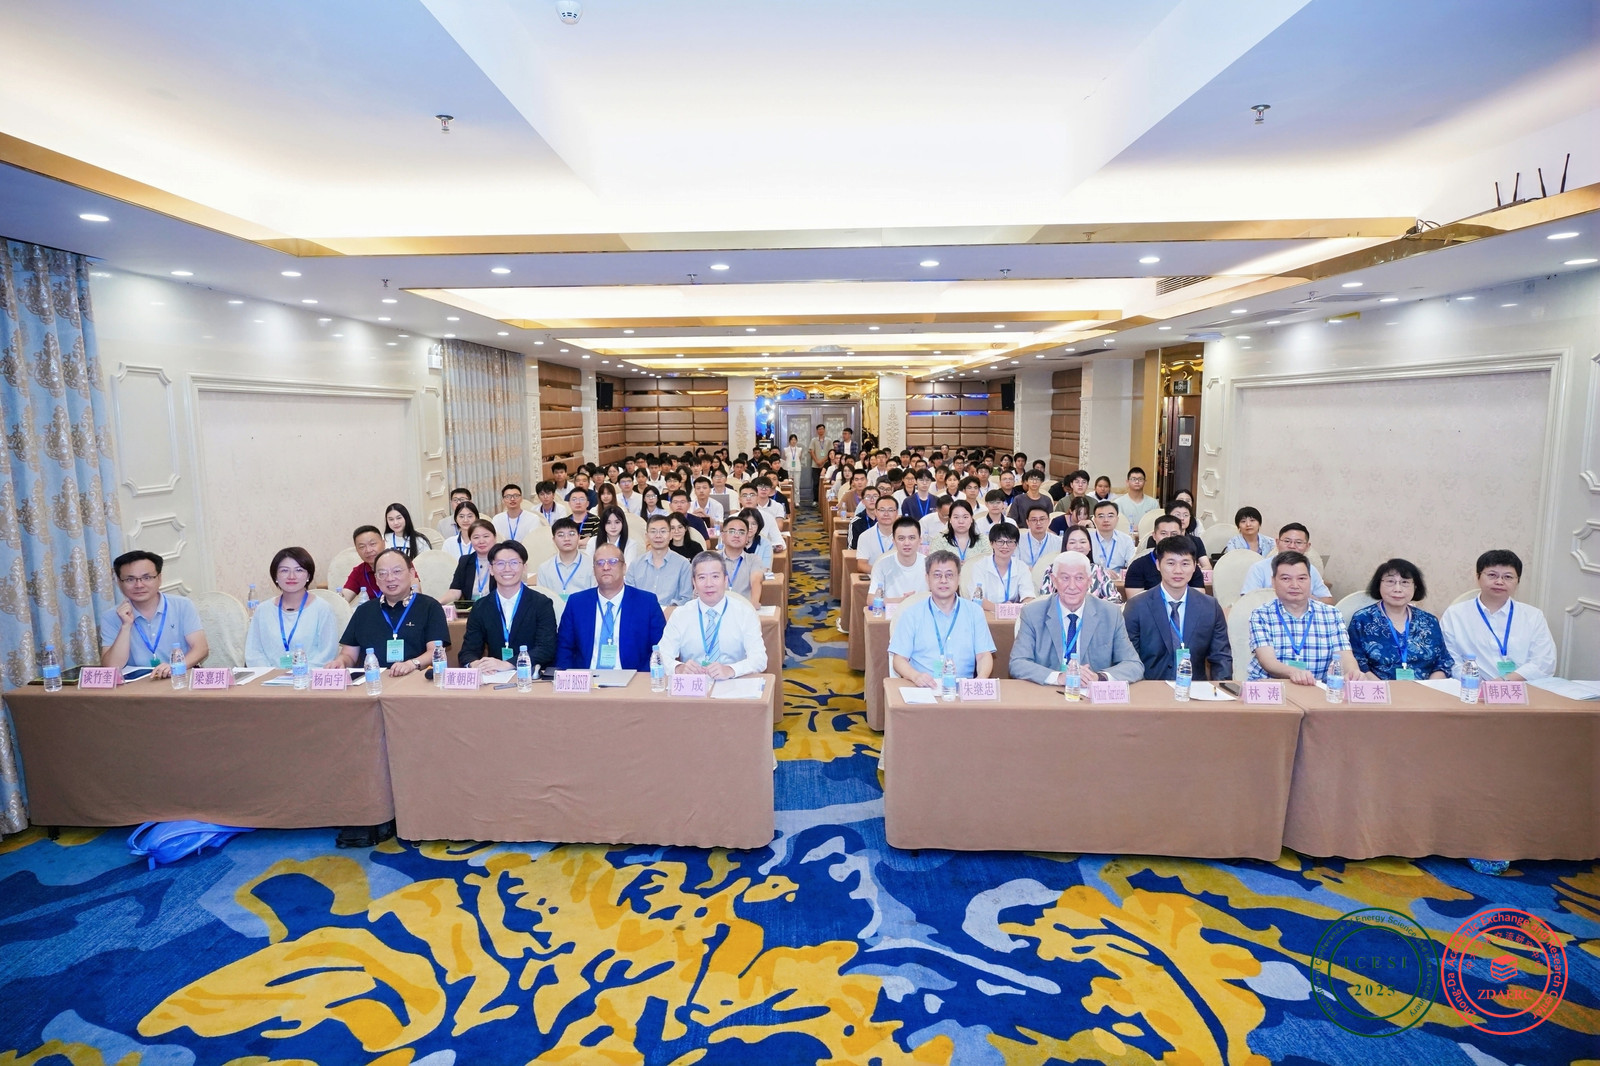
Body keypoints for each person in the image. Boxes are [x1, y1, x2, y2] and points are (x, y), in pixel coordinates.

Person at [1010, 551, 1142, 685]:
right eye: (1065, 578)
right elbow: (1018, 663)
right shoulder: (1032, 613)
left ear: (1089, 581)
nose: (1072, 586)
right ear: (1054, 580)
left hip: (1092, 693)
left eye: (1079, 578)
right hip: (1049, 692)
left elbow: (1133, 665)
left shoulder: (1110, 614)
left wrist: (1099, 677)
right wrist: (1059, 677)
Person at [1122, 536, 1231, 681]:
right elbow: (1128, 659)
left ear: (1195, 566)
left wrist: (1221, 690)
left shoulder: (1210, 607)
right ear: (1158, 565)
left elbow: (1221, 658)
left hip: (1194, 688)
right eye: (1171, 563)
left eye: (1185, 563)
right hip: (1149, 687)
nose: (1178, 570)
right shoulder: (1137, 606)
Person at [1440, 549, 1558, 681]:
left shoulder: (1533, 616)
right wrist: (1477, 684)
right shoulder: (1455, 615)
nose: (1499, 582)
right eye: (1492, 575)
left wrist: (1503, 681)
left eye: (1508, 577)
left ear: (1518, 581)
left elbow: (1544, 662)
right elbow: (1450, 660)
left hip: (1522, 687)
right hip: (1471, 687)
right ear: (1478, 577)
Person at [326, 548, 450, 673]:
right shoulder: (363, 611)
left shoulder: (430, 607)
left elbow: (435, 651)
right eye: (382, 573)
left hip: (415, 677)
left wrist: (412, 664)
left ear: (411, 573)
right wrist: (340, 662)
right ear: (376, 578)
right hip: (373, 680)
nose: (390, 578)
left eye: (397, 571)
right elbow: (348, 655)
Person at [1247, 552, 1363, 684]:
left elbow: (1344, 655)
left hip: (1317, 688)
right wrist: (1293, 672)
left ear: (1310, 580)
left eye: (1301, 578)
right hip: (1271, 686)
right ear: (1273, 582)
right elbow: (1268, 662)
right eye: (1286, 579)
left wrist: (1353, 672)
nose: (1294, 585)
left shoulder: (1331, 614)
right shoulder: (1261, 615)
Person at [888, 550, 995, 689]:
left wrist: (981, 679)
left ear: (958, 578)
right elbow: (899, 659)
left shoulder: (975, 612)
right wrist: (915, 676)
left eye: (949, 575)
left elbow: (984, 655)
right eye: (937, 575)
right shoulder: (911, 613)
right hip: (922, 687)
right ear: (927, 578)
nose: (943, 580)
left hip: (962, 688)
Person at [554, 544, 667, 671]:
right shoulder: (576, 603)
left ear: (624, 568)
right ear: (593, 570)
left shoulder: (646, 603)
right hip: (587, 678)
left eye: (613, 562)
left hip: (632, 677)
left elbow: (660, 648)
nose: (606, 567)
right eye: (600, 563)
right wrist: (570, 678)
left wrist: (640, 678)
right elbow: (564, 648)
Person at [100, 550, 209, 677]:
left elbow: (201, 648)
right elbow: (111, 667)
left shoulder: (182, 605)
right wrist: (125, 626)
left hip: (180, 677)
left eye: (147, 578)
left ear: (159, 578)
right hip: (138, 684)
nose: (139, 585)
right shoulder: (110, 616)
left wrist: (175, 667)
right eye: (130, 579)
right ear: (119, 583)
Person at [658, 552, 767, 678]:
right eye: (702, 577)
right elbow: (660, 656)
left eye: (715, 576)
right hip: (694, 684)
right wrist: (678, 668)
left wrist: (731, 670)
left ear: (725, 580)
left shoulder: (744, 613)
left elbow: (760, 659)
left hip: (733, 682)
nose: (709, 584)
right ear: (694, 582)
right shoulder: (680, 615)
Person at [1348, 558, 1454, 680]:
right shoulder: (1362, 620)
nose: (1397, 589)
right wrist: (1384, 689)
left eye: (1405, 582)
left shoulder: (1429, 621)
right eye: (1390, 581)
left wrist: (1429, 687)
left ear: (1415, 586)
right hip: (1378, 688)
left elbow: (1443, 663)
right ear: (1378, 585)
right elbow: (1358, 664)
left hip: (1426, 688)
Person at [459, 540, 558, 670]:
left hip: (530, 675)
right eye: (500, 563)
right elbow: (468, 651)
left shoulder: (541, 603)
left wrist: (508, 664)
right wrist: (474, 664)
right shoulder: (480, 606)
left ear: (524, 567)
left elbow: (546, 648)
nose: (507, 569)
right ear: (491, 569)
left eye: (514, 563)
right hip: (494, 676)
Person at [244, 547, 341, 668]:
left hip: (308, 676)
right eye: (284, 570)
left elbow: (327, 654)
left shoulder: (323, 609)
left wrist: (299, 673)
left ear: (308, 575)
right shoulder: (263, 610)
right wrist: (271, 675)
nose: (291, 576)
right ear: (275, 576)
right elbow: (254, 653)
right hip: (269, 678)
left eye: (299, 570)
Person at [1240, 524, 1333, 603]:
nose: (1292, 546)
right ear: (1277, 543)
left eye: (1298, 542)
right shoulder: (1259, 568)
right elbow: (1247, 601)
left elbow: (1328, 600)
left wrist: (1310, 599)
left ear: (1307, 546)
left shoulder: (1311, 570)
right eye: (1287, 541)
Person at [1123, 515, 1206, 595]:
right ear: (1154, 536)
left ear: (1181, 535)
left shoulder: (1188, 565)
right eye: (1163, 533)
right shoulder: (1138, 566)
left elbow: (1199, 599)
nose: (1168, 537)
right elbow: (1136, 601)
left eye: (1174, 534)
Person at [626, 514, 695, 607]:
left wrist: (667, 611)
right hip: (641, 613)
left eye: (663, 531)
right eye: (653, 531)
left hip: (671, 614)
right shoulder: (635, 565)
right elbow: (628, 596)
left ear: (670, 535)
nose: (658, 536)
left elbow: (686, 598)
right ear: (646, 536)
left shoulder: (683, 564)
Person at [969, 522, 1035, 604]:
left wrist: (1017, 607)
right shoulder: (980, 567)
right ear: (991, 543)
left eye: (1010, 542)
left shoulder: (1022, 567)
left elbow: (1028, 596)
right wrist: (1001, 609)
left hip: (1014, 611)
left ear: (1016, 544)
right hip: (986, 611)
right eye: (1000, 541)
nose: (1005, 546)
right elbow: (977, 599)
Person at [869, 516, 931, 600]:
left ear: (920, 540)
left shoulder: (929, 564)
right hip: (892, 607)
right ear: (894, 541)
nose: (907, 543)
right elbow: (871, 599)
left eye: (912, 538)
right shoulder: (882, 564)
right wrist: (902, 601)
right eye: (901, 538)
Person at [537, 516, 596, 601]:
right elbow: (542, 599)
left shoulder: (592, 565)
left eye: (571, 534)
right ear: (554, 540)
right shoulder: (544, 568)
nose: (566, 539)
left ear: (579, 537)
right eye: (561, 535)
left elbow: (595, 596)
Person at [1061, 526, 1121, 603]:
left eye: (1083, 542)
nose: (1078, 546)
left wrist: (1094, 606)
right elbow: (1047, 600)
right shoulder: (1054, 570)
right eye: (1072, 542)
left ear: (1090, 546)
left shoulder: (1098, 570)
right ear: (1065, 546)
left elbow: (1116, 599)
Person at [445, 518, 500, 603]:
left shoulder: (502, 561)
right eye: (476, 537)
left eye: (486, 536)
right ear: (470, 540)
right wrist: (437, 603)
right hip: (471, 608)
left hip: (496, 606)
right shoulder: (465, 561)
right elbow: (455, 591)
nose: (481, 541)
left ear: (495, 537)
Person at [715, 514, 759, 598]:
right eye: (731, 531)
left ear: (747, 538)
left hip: (744, 604)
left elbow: (756, 583)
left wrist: (754, 603)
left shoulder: (753, 559)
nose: (736, 535)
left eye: (741, 532)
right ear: (723, 536)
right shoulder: (712, 559)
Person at [339, 525, 386, 603]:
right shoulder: (359, 571)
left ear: (383, 543)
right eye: (362, 547)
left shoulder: (400, 564)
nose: (368, 550)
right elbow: (344, 598)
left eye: (372, 544)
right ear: (357, 550)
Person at [1086, 499, 1135, 573]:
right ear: (1094, 520)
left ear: (1117, 519)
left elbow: (1132, 565)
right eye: (1101, 516)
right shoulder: (1087, 539)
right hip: (1093, 577)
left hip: (1118, 578)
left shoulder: (1126, 540)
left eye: (1110, 516)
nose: (1106, 520)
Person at [933, 499, 988, 564]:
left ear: (971, 519)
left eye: (965, 517)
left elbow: (988, 564)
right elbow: (933, 564)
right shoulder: (939, 540)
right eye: (956, 517)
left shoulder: (983, 540)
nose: (961, 521)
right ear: (950, 519)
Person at [856, 494, 902, 572]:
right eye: (882, 510)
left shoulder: (904, 536)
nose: (886, 514)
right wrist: (879, 573)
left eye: (890, 510)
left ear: (897, 513)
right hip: (874, 576)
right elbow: (861, 565)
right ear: (875, 512)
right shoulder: (865, 536)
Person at [1017, 504, 1062, 571]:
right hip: (1023, 575)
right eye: (1034, 520)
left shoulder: (1058, 541)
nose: (1038, 523)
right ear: (1027, 522)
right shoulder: (1018, 541)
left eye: (1042, 519)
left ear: (1048, 521)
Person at [809, 423, 829, 505]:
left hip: (826, 465)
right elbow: (811, 451)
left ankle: (825, 500)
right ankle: (815, 500)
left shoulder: (829, 440)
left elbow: (831, 453)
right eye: (819, 429)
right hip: (815, 465)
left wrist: (822, 461)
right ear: (817, 431)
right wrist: (817, 461)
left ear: (824, 430)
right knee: (816, 483)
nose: (821, 430)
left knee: (825, 483)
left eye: (822, 429)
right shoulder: (814, 440)